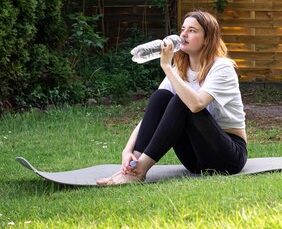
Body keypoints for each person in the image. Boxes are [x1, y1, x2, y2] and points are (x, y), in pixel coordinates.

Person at [97, 10, 247, 185]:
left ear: (207, 38)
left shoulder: (222, 67)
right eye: (183, 29)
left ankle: (138, 172)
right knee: (161, 96)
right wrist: (128, 150)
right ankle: (131, 166)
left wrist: (166, 67)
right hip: (194, 160)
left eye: (192, 30)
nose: (183, 34)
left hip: (228, 156)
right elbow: (152, 116)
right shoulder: (180, 68)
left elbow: (196, 104)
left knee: (182, 101)